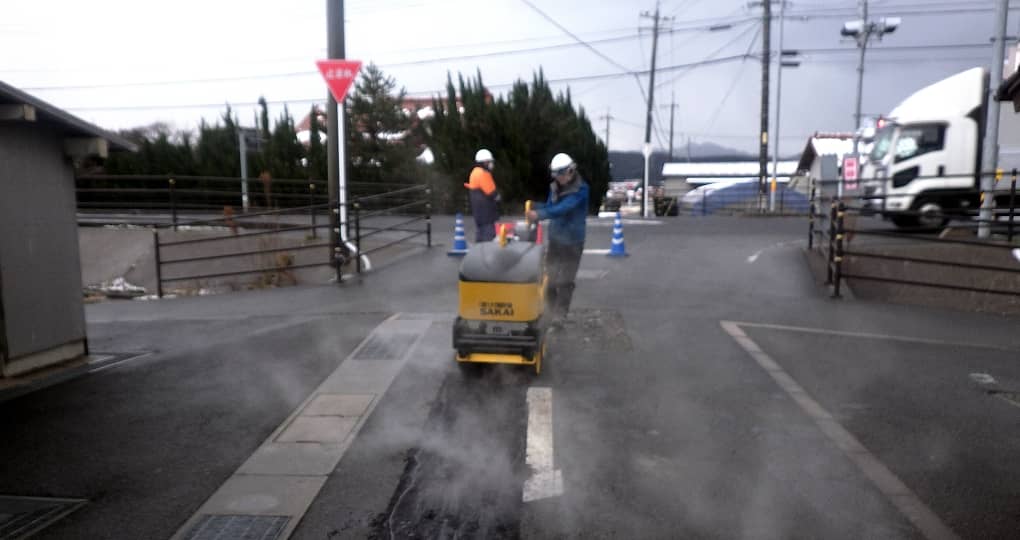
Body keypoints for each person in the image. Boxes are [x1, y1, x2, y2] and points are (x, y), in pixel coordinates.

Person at [527, 152, 590, 323]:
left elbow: (562, 209)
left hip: (573, 242)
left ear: (570, 171)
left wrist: (538, 214)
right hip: (556, 239)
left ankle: (560, 315)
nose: (557, 178)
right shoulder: (555, 186)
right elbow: (551, 206)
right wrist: (535, 206)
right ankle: (549, 310)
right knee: (550, 276)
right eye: (555, 175)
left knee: (566, 280)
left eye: (560, 175)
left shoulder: (581, 190)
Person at [465, 148, 500, 242]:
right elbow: (492, 192)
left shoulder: (474, 172)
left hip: (478, 213)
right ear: (484, 162)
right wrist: (498, 197)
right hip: (487, 213)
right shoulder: (483, 173)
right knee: (488, 239)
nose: (491, 164)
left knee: (480, 237)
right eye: (489, 162)